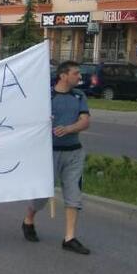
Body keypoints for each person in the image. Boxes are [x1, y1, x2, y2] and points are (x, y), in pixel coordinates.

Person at [22, 60, 92, 255]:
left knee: (74, 194)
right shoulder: (46, 96)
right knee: (42, 194)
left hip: (74, 152)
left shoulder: (79, 96)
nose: (80, 76)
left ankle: (69, 238)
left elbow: (85, 121)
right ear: (63, 76)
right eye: (76, 73)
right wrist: (42, 121)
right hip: (48, 153)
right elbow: (29, 120)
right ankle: (28, 219)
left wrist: (69, 129)